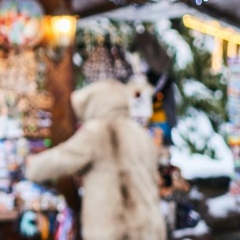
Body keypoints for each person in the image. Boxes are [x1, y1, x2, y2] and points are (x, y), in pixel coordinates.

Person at [25, 80, 167, 240]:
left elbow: (52, 163)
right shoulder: (142, 136)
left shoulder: (95, 133)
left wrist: (32, 164)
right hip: (147, 231)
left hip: (109, 232)